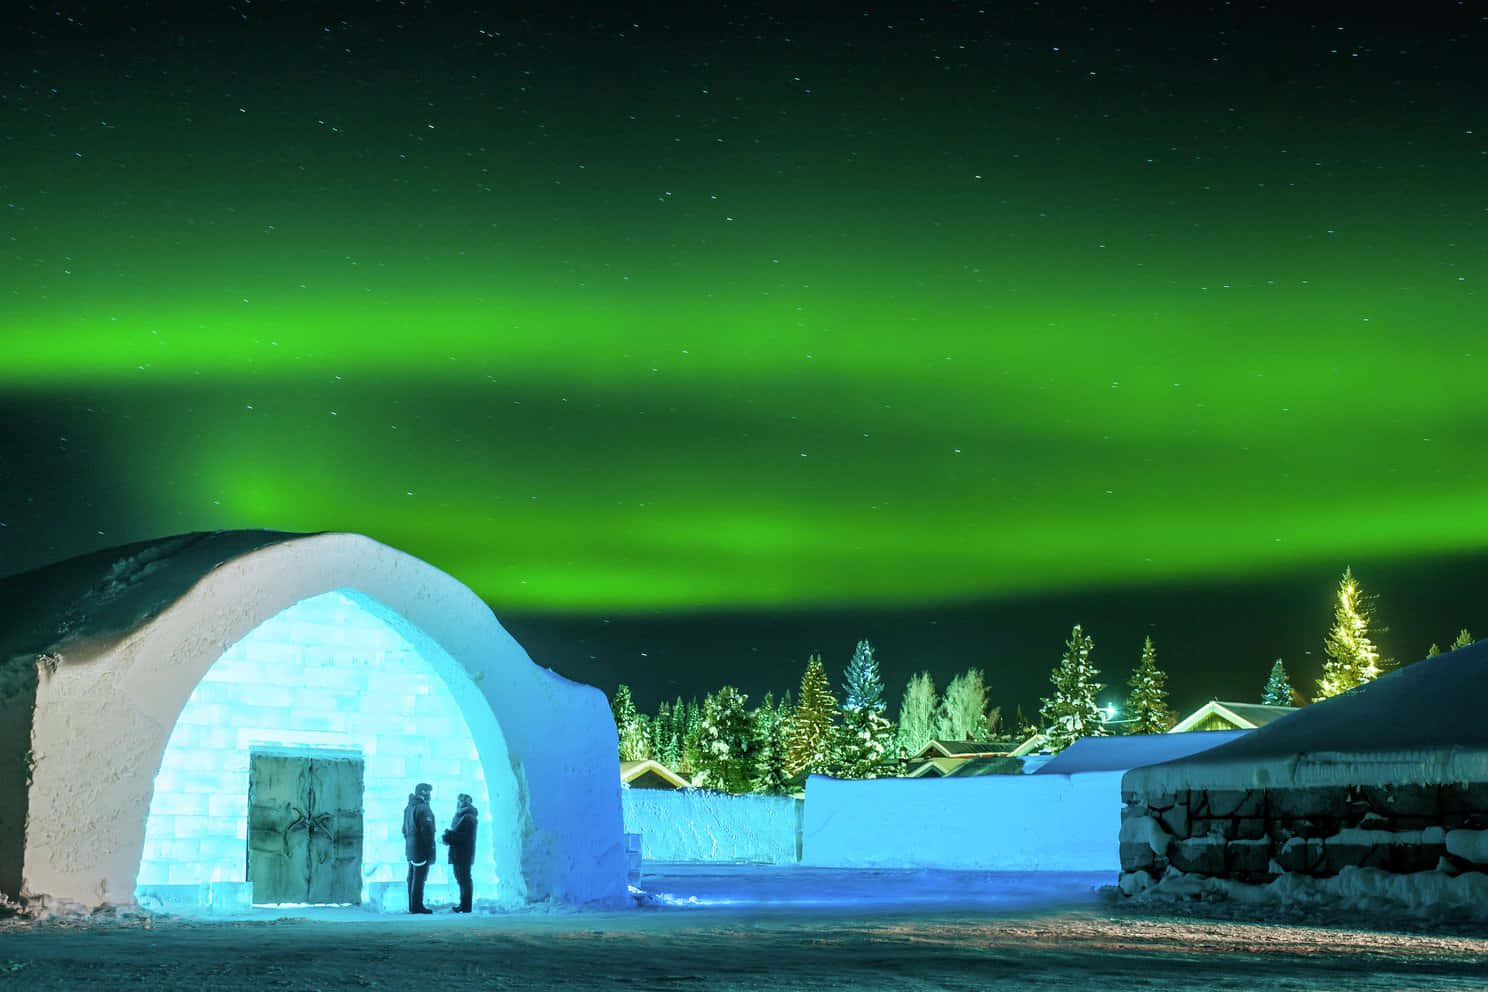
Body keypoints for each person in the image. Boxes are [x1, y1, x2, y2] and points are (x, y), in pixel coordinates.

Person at [442, 792, 479, 913]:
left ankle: (466, 906)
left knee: (464, 879)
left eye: (464, 800)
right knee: (461, 880)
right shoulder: (461, 816)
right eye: (460, 800)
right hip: (459, 853)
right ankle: (463, 904)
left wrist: (447, 836)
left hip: (463, 853)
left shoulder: (468, 817)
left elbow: (463, 837)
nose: (461, 802)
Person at [402, 783, 435, 914]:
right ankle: (417, 906)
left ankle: (412, 905)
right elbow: (428, 831)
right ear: (423, 792)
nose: (430, 795)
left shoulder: (408, 808)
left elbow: (404, 830)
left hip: (411, 848)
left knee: (412, 876)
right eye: (428, 792)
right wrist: (430, 849)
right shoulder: (423, 808)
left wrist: (410, 842)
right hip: (420, 848)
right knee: (420, 878)